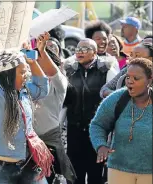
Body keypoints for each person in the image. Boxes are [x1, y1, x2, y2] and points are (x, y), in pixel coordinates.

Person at [0, 42, 51, 183]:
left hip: (26, 163)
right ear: (8, 72)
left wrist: (32, 62)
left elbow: (43, 88)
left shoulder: (23, 90)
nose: (26, 76)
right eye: (22, 72)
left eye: (27, 72)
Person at [90, 58, 152, 184]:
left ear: (150, 80)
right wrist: (101, 145)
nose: (130, 82)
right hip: (118, 169)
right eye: (128, 77)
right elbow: (97, 125)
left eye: (136, 78)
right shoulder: (117, 98)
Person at [63, 38, 115, 184]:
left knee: (95, 174)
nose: (80, 52)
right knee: (74, 174)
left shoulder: (107, 69)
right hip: (74, 129)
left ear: (94, 51)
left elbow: (114, 97)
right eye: (78, 49)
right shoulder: (69, 70)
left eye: (85, 49)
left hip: (97, 130)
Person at [32, 33, 76, 184]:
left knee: (51, 179)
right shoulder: (27, 80)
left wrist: (42, 51)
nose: (36, 64)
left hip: (49, 138)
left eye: (40, 61)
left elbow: (52, 71)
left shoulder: (59, 81)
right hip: (29, 139)